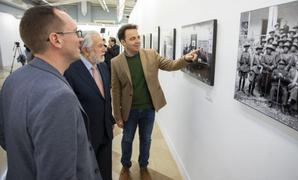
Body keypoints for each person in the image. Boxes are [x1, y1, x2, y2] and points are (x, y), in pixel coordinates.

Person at [0, 6, 102, 180]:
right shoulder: (59, 96)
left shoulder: (13, 80)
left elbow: (5, 138)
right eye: (76, 32)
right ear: (56, 39)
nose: (80, 39)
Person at [111, 24, 198, 180]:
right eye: (132, 38)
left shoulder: (150, 54)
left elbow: (170, 65)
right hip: (129, 110)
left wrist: (185, 59)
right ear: (123, 42)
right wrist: (117, 115)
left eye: (138, 37)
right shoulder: (116, 62)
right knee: (127, 139)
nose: (137, 41)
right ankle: (125, 165)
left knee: (146, 139)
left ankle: (144, 165)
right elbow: (116, 90)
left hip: (148, 108)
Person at [64, 31, 114, 180]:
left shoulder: (103, 67)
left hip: (105, 132)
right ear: (86, 50)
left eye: (104, 45)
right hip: (86, 136)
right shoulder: (70, 70)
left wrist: (110, 120)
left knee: (105, 171)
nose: (104, 49)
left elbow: (106, 99)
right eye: (100, 46)